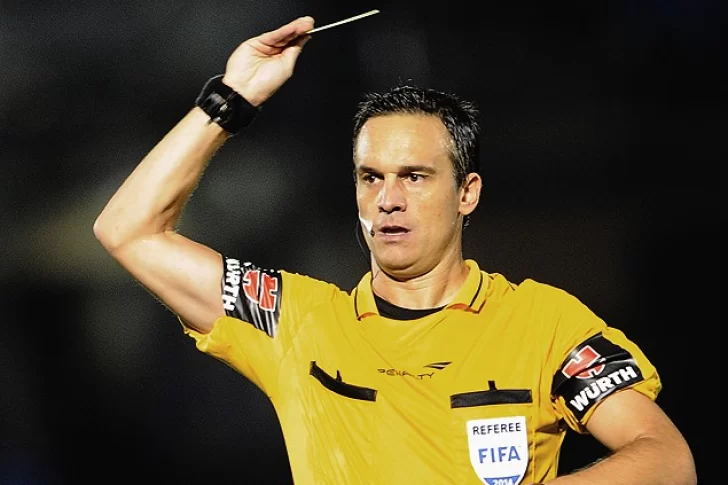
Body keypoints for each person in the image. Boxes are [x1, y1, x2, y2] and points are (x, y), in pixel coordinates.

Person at [93, 15, 697, 485]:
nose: (387, 200)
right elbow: (128, 230)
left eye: (414, 176)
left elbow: (667, 460)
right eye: (370, 177)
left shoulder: (542, 324)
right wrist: (232, 97)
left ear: (467, 193)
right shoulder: (294, 321)